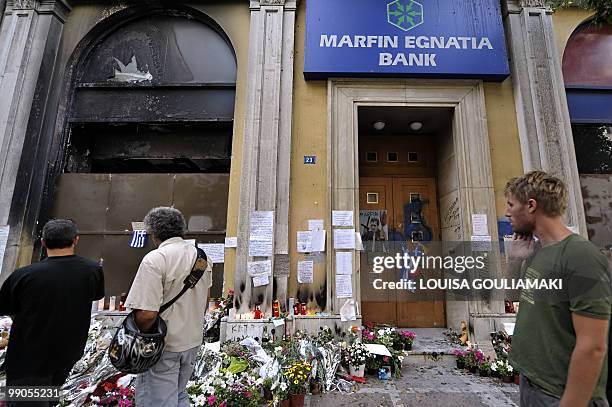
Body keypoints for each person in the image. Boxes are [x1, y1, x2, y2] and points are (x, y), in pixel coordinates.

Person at [505, 171, 611, 407]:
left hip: (560, 393)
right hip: (533, 383)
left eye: (511, 204)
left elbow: (593, 346)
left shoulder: (580, 256)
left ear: (531, 206)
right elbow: (513, 299)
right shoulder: (538, 251)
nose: (506, 212)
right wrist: (513, 262)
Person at [0, 219, 104, 405]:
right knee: (47, 401)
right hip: (66, 357)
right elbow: (94, 297)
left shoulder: (24, 275)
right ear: (75, 240)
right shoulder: (93, 270)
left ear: (43, 242)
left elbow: (6, 308)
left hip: (29, 361)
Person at [125, 207, 212, 407]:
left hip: (162, 344)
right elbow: (206, 300)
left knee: (156, 400)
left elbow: (146, 314)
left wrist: (144, 339)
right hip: (191, 341)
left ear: (154, 233)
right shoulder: (201, 258)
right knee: (180, 395)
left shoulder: (156, 259)